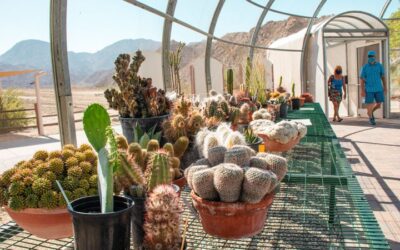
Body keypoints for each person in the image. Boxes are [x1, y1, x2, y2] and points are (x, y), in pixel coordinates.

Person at [360, 50, 387, 125]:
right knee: (370, 104)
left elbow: (383, 77)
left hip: (379, 88)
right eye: (369, 56)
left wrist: (385, 88)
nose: (371, 58)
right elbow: (362, 79)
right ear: (368, 57)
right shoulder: (364, 67)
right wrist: (362, 90)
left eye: (372, 56)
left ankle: (370, 112)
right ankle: (371, 118)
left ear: (375, 57)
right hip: (369, 89)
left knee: (379, 104)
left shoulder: (380, 66)